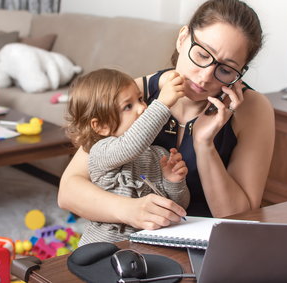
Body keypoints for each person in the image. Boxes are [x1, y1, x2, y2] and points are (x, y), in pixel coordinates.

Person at [59, 0, 274, 229]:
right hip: (135, 239)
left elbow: (240, 219)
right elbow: (69, 190)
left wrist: (204, 145)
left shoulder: (253, 109)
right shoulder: (134, 97)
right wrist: (128, 210)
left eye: (225, 69)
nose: (204, 77)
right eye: (202, 55)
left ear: (240, 72)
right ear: (183, 38)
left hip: (209, 244)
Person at [65, 68, 190, 245]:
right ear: (101, 126)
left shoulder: (159, 154)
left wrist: (174, 181)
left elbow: (178, 207)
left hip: (146, 247)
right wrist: (162, 104)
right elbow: (130, 145)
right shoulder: (100, 151)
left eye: (140, 99)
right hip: (102, 249)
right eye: (128, 106)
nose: (142, 107)